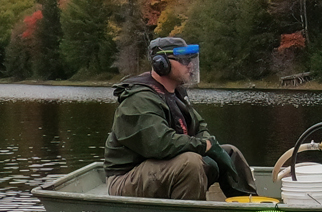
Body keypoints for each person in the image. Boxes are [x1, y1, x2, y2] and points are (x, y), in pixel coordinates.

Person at [104, 37, 256, 200]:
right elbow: (161, 143)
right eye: (183, 60)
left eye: (190, 60)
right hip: (126, 178)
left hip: (160, 169)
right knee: (190, 164)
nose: (190, 65)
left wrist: (211, 146)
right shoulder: (138, 99)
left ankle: (247, 210)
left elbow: (199, 128)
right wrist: (204, 146)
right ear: (161, 63)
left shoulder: (176, 94)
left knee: (231, 153)